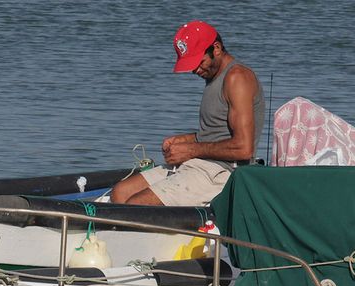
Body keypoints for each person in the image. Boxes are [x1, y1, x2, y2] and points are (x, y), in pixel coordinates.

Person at [110, 21, 265, 206]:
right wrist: (185, 140)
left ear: (216, 48)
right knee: (120, 192)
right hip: (200, 163)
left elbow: (243, 149)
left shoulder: (237, 78)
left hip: (222, 172)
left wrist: (190, 150)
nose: (195, 70)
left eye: (198, 62)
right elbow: (216, 133)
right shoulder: (213, 75)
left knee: (136, 205)